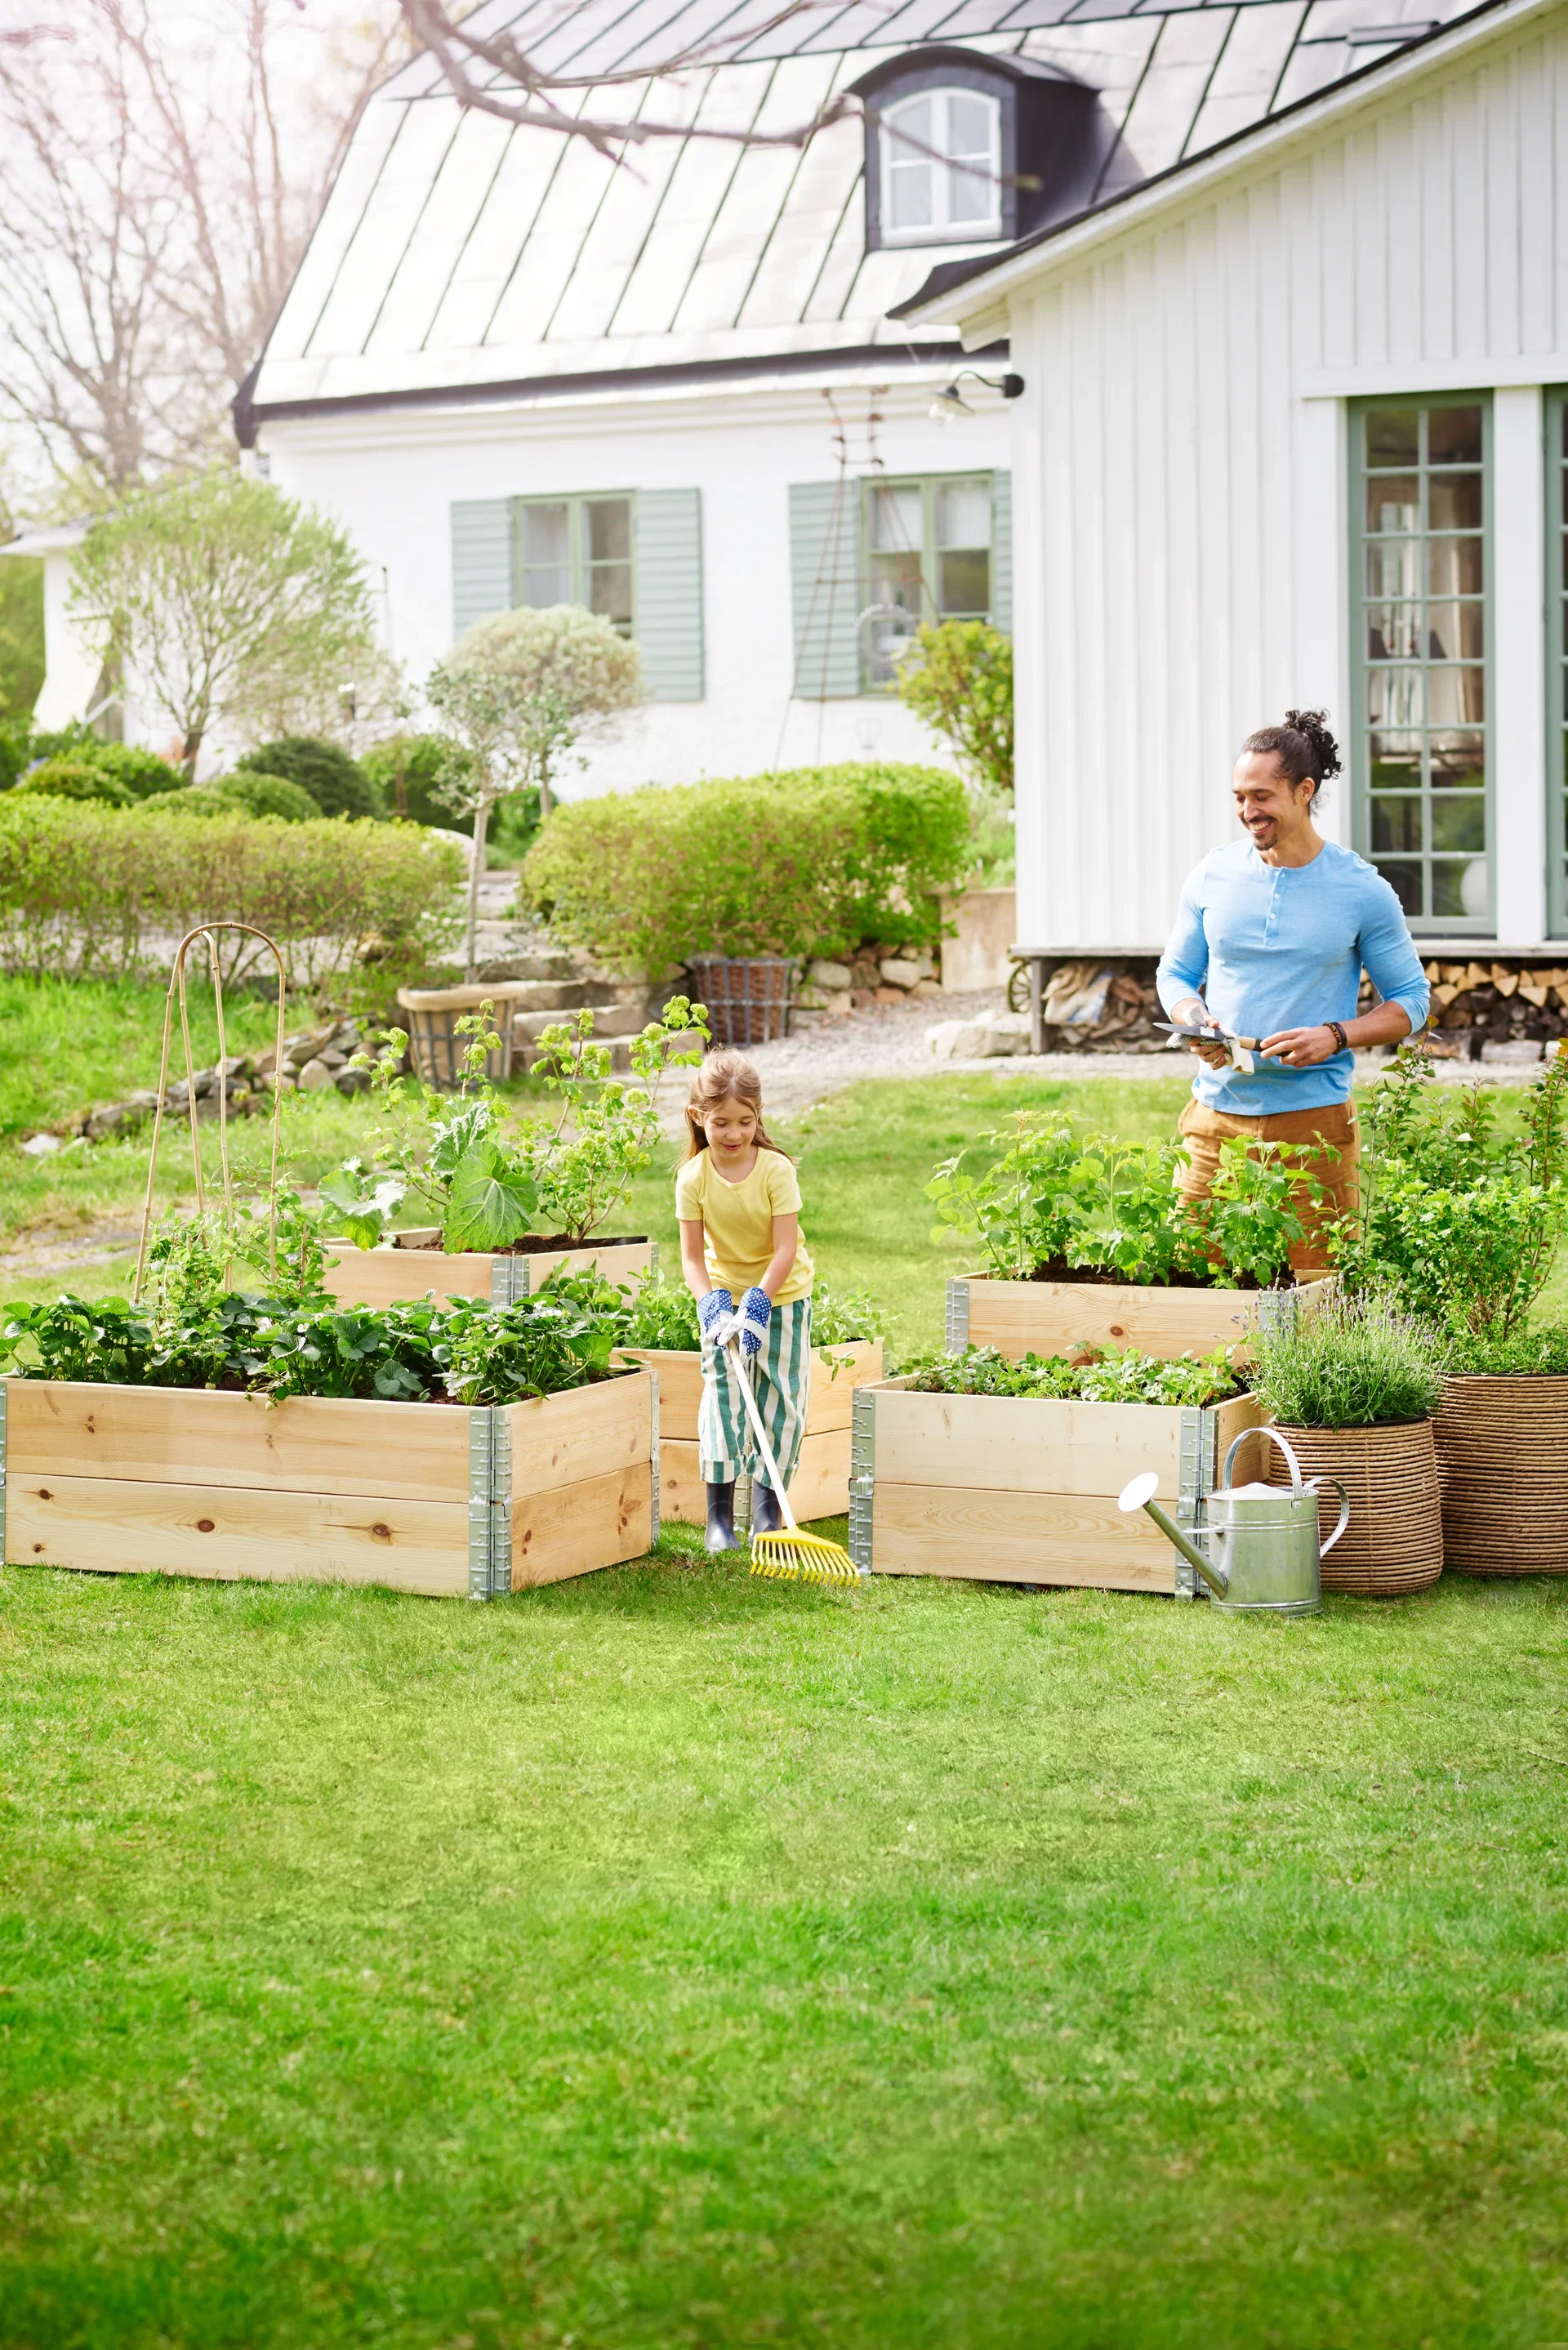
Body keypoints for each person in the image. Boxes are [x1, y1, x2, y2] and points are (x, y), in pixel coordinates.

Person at [1155, 708, 1430, 1274]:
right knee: (1187, 1282)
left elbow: (1412, 1000)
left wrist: (1335, 1035)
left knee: (1318, 1292)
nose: (1247, 811)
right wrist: (1194, 1018)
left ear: (1305, 791)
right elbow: (1175, 974)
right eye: (1239, 797)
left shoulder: (1361, 890)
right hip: (1215, 1120)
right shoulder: (1212, 875)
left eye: (1261, 796)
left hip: (1315, 1127)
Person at [677, 1051, 815, 1554]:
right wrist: (713, 1306)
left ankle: (766, 1515)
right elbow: (692, 1259)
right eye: (721, 1123)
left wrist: (759, 1304)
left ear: (759, 1115)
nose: (734, 1133)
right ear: (698, 1117)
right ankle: (719, 1520)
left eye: (745, 1121)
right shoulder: (693, 1178)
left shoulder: (776, 1172)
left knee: (781, 1401)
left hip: (783, 1298)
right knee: (723, 1399)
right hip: (722, 1297)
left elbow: (785, 1250)